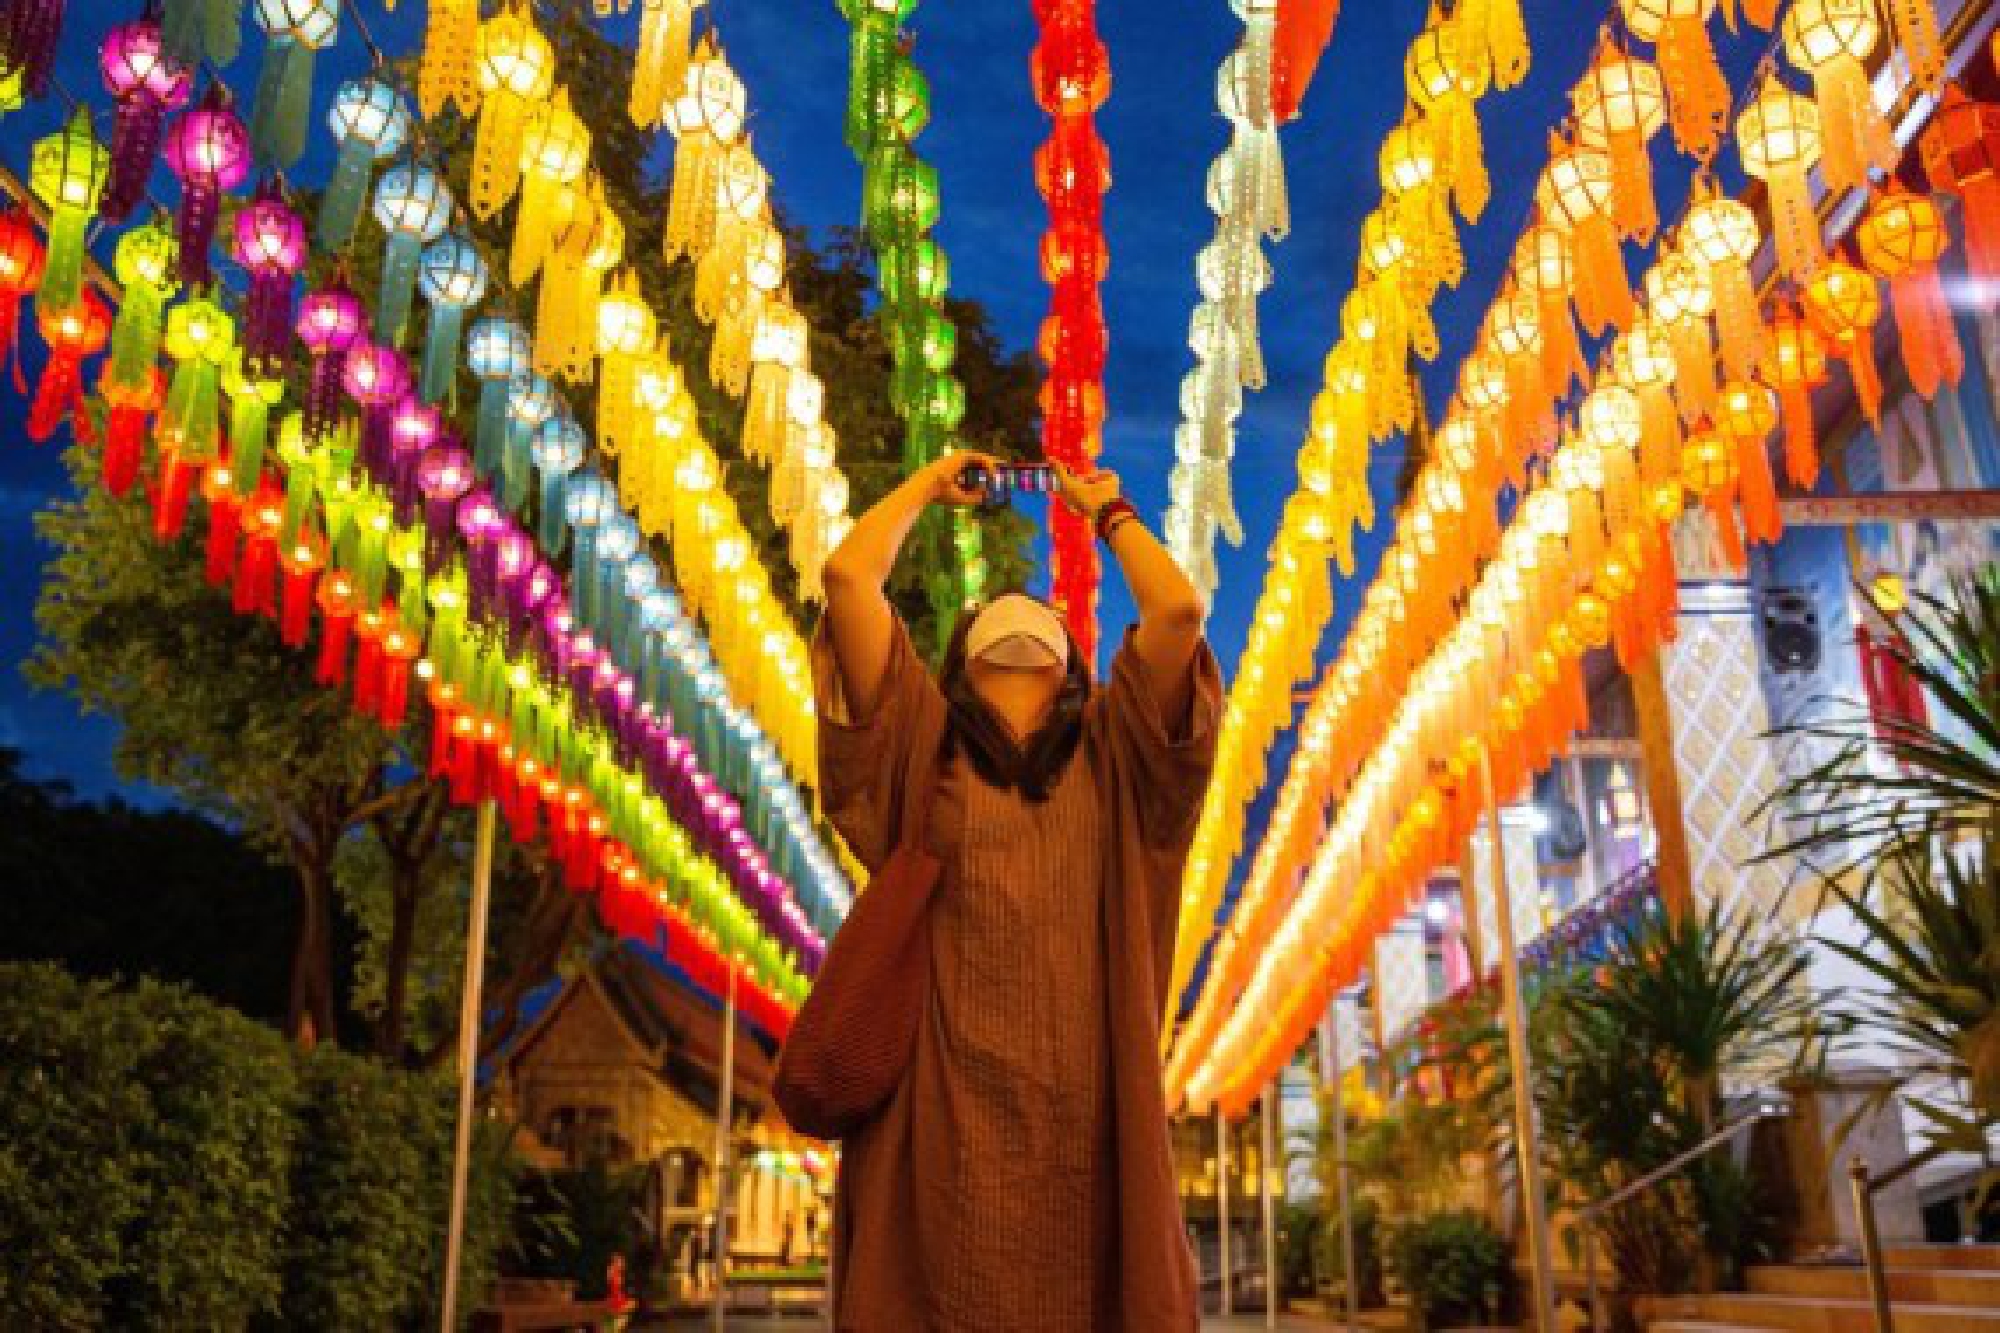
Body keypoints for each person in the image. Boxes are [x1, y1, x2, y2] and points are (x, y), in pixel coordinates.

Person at [814, 451, 1220, 1332]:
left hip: (1090, 1134)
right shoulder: (922, 745)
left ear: (1075, 661)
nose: (1020, 610)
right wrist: (923, 482)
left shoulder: (1120, 749)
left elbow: (1179, 610)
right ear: (960, 661)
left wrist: (1108, 511)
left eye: (1043, 613)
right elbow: (849, 576)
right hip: (937, 1130)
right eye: (994, 613)